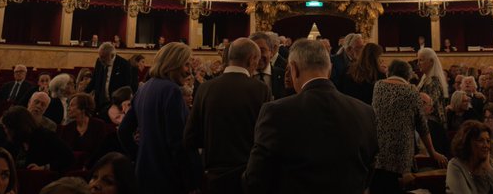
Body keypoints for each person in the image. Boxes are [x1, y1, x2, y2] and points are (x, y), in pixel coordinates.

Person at [243, 38, 377, 194]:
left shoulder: (275, 112)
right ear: (330, 69)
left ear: (294, 69)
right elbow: (368, 173)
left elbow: (255, 179)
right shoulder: (365, 112)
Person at [184, 37, 268, 194]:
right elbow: (264, 137)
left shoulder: (205, 88)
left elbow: (190, 138)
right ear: (252, 60)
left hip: (213, 177)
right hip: (247, 176)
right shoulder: (261, 89)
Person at [118, 42, 198, 193]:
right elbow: (178, 142)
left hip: (143, 174)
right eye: (186, 65)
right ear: (173, 63)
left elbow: (123, 131)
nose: (189, 71)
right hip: (168, 178)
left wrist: (140, 153)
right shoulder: (171, 91)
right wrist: (191, 182)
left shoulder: (143, 88)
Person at [370, 59, 446, 193]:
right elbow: (422, 126)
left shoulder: (378, 86)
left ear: (389, 72)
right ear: (408, 75)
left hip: (378, 151)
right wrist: (432, 152)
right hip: (401, 155)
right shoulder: (412, 91)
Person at [0, 107, 73, 174]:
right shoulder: (16, 141)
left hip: (41, 180)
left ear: (16, 128)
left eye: (6, 128)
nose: (5, 131)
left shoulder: (45, 136)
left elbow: (69, 158)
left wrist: (44, 168)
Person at [445, 121, 493, 194]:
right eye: (480, 140)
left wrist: (488, 169)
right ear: (467, 143)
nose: (486, 145)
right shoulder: (455, 166)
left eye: (488, 141)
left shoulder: (490, 165)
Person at [58, 94, 112, 168]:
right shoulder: (67, 128)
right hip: (72, 168)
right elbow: (63, 152)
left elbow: (101, 151)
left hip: (94, 166)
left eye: (72, 105)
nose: (68, 108)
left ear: (83, 108)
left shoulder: (98, 125)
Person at [90, 44, 136, 113]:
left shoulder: (124, 64)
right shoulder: (99, 62)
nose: (101, 59)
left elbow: (127, 86)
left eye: (103, 57)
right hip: (99, 104)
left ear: (111, 55)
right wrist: (83, 93)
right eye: (100, 57)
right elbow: (94, 80)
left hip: (115, 104)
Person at [416, 48, 448, 122]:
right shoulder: (425, 79)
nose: (418, 63)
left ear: (431, 61)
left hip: (433, 125)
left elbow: (430, 106)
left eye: (421, 60)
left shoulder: (434, 82)